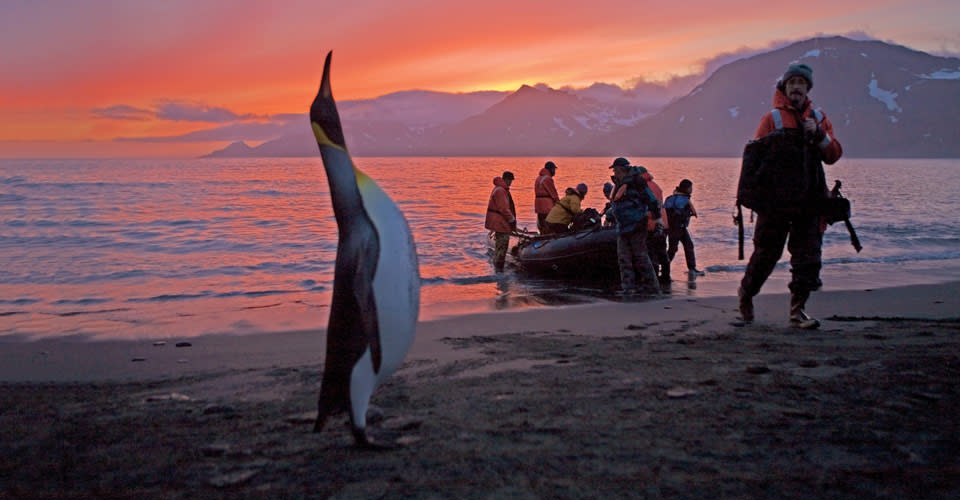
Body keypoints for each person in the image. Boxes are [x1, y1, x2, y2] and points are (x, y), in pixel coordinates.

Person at [738, 63, 843, 328]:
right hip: (775, 204)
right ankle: (746, 294)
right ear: (785, 87)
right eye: (792, 82)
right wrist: (753, 198)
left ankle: (798, 311)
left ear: (808, 89)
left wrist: (818, 136)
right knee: (765, 255)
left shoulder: (819, 118)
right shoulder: (771, 119)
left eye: (801, 83)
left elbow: (833, 155)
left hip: (810, 201)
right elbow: (754, 161)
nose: (796, 87)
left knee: (808, 258)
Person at [608, 157, 662, 294]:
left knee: (640, 256)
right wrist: (610, 216)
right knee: (623, 258)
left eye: (615, 170)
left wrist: (657, 220)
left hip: (637, 224)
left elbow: (652, 201)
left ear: (621, 170)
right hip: (622, 226)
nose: (614, 172)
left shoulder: (638, 182)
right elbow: (616, 204)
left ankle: (652, 286)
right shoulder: (619, 184)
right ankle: (628, 287)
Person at [665, 179, 704, 277]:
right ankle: (665, 268)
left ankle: (691, 269)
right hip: (678, 228)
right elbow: (688, 212)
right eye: (691, 187)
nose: (692, 189)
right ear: (686, 189)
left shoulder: (673, 197)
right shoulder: (684, 199)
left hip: (673, 228)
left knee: (685, 246)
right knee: (674, 249)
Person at [641, 168, 671, 284]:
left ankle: (653, 279)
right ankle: (666, 276)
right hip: (663, 223)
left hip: (651, 224)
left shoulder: (644, 188)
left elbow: (650, 209)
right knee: (662, 252)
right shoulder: (656, 186)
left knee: (651, 252)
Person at [485, 171, 517, 272]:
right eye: (510, 180)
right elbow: (504, 208)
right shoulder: (501, 191)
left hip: (499, 223)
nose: (511, 183)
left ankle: (497, 270)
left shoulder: (498, 189)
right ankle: (499, 271)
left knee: (500, 247)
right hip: (500, 224)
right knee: (502, 247)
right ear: (506, 179)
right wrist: (512, 220)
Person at [534, 161, 560, 234]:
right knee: (549, 225)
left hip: (539, 206)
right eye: (554, 169)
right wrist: (560, 204)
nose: (554, 171)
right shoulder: (547, 179)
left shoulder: (538, 178)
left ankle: (542, 236)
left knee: (542, 224)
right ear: (551, 169)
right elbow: (553, 194)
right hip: (547, 207)